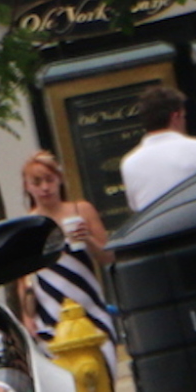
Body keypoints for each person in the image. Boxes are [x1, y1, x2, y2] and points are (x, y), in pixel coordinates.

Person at [19, 151, 116, 366]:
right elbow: (25, 279)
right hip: (50, 318)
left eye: (50, 180)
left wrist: (88, 239)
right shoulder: (27, 225)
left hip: (89, 310)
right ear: (27, 186)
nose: (45, 187)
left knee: (103, 379)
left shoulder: (81, 210)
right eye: (37, 182)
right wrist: (27, 317)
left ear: (59, 180)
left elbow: (108, 256)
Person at [119, 83, 196, 214]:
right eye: (184, 116)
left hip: (157, 231)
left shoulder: (129, 163)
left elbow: (136, 207)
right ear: (175, 117)